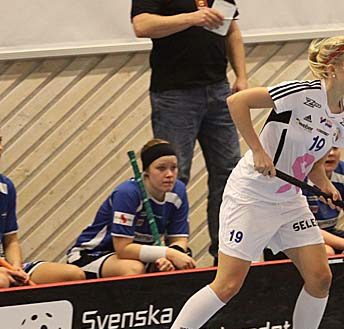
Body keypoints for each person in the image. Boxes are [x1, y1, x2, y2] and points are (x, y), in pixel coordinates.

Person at [139, 32, 344, 329]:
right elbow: (237, 101)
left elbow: (314, 159)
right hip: (251, 195)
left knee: (320, 276)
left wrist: (324, 183)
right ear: (332, 68)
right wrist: (258, 150)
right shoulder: (300, 93)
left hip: (289, 198)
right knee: (228, 283)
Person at [131, 0, 248, 263]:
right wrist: (192, 18)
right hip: (174, 94)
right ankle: (171, 255)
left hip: (218, 89)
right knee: (173, 175)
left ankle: (226, 253)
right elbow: (142, 25)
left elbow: (231, 29)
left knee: (228, 173)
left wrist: (241, 76)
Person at [67, 139, 195, 279]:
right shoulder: (128, 193)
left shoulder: (178, 191)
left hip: (137, 255)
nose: (169, 174)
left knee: (182, 261)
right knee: (134, 268)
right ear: (146, 171)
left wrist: (170, 257)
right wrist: (168, 253)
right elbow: (123, 249)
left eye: (174, 168)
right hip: (95, 253)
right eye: (161, 168)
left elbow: (179, 239)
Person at [0, 139, 84, 288]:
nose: (0, 147)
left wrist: (16, 267)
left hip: (5, 266)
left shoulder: (6, 186)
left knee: (73, 274)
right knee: (2, 281)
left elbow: (11, 240)